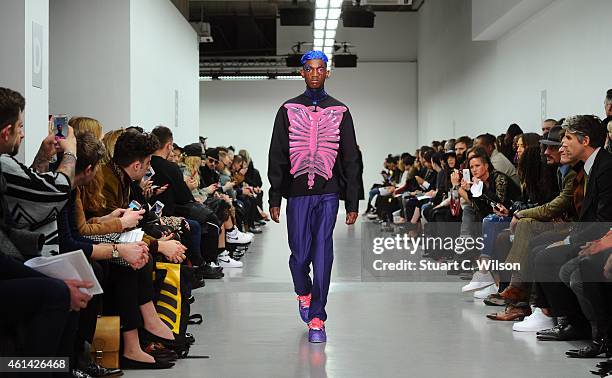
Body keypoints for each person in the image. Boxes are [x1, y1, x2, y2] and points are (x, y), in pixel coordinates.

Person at [267, 50, 361, 343]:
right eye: (310, 69)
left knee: (323, 252)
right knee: (299, 254)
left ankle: (318, 316)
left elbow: (350, 158)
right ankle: (303, 291)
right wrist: (274, 197)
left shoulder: (341, 111)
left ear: (327, 72)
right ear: (302, 72)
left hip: (328, 192)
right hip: (296, 193)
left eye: (321, 69)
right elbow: (278, 153)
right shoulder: (287, 109)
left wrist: (352, 200)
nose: (316, 73)